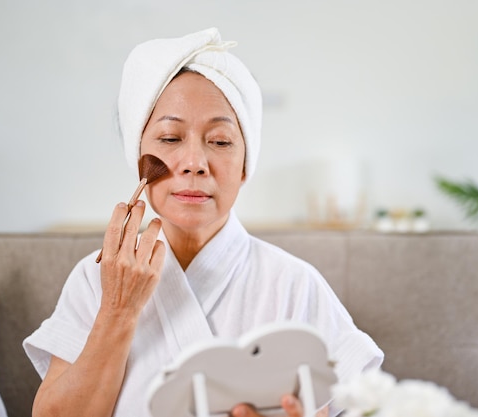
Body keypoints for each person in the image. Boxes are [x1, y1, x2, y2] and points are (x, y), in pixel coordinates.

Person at [23, 27, 383, 417]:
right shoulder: (94, 280)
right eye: (170, 138)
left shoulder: (295, 285)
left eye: (221, 141)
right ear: (138, 157)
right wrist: (118, 309)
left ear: (245, 166)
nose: (194, 162)